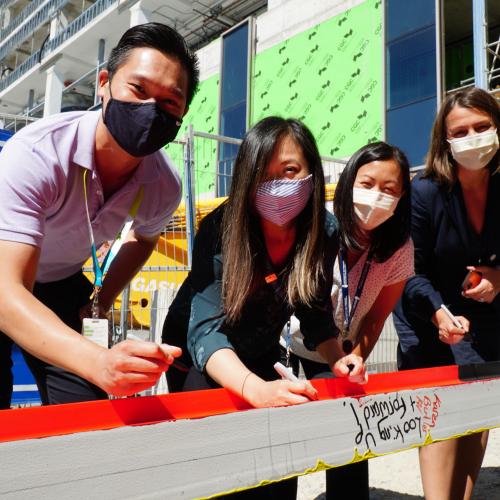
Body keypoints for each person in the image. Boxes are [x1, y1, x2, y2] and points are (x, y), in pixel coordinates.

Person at [163, 116, 366, 499]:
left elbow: (314, 311)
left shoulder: (325, 230)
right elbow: (206, 331)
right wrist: (256, 390)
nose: (279, 187)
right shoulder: (221, 230)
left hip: (260, 349)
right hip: (196, 352)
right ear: (246, 180)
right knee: (212, 464)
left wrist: (339, 359)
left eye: (290, 171)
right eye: (264, 175)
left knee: (274, 461)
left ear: (312, 173)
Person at [0, 22, 200, 408]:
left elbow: (143, 240)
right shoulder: (37, 155)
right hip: (5, 275)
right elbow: (8, 294)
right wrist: (97, 360)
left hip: (62, 283)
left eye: (169, 102)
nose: (150, 110)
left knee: (86, 412)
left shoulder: (164, 185)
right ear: (104, 83)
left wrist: (102, 299)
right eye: (138, 90)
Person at [281, 141, 413, 499]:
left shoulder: (399, 248)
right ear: (349, 180)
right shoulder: (317, 226)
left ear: (402, 196)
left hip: (339, 354)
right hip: (287, 349)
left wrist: (356, 358)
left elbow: (374, 319)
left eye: (389, 189)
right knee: (282, 441)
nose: (376, 196)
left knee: (350, 436)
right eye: (367, 183)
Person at [393, 86, 500, 499]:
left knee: (477, 415)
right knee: (440, 414)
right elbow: (410, 271)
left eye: (483, 127)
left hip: (488, 319)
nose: (473, 137)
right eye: (461, 130)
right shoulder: (425, 192)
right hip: (429, 317)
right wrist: (439, 313)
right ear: (445, 139)